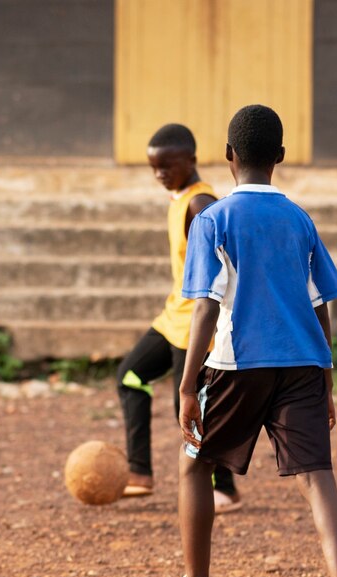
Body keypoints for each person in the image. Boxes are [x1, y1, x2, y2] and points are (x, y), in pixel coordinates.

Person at [140, 105, 337, 577]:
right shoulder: (299, 219)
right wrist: (327, 379)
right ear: (281, 158)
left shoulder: (215, 218)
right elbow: (321, 306)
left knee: (193, 464)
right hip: (303, 364)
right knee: (319, 478)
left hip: (238, 364)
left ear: (228, 156)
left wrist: (188, 383)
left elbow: (204, 308)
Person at [117, 123, 241, 512]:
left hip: (195, 325)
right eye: (154, 167)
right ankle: (140, 472)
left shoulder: (201, 205)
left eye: (167, 166)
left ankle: (225, 488)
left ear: (191, 160)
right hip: (173, 316)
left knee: (187, 408)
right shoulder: (180, 197)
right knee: (130, 376)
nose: (160, 174)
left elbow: (225, 264)